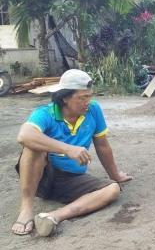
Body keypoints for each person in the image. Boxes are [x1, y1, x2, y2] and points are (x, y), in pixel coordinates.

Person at [11, 69, 132, 237]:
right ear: (65, 98)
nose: (87, 102)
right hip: (42, 178)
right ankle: (26, 209)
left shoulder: (93, 110)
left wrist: (115, 175)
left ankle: (54, 217)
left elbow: (102, 146)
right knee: (33, 148)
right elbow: (24, 135)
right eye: (82, 97)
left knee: (113, 190)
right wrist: (68, 149)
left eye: (89, 96)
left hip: (71, 180)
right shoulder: (45, 113)